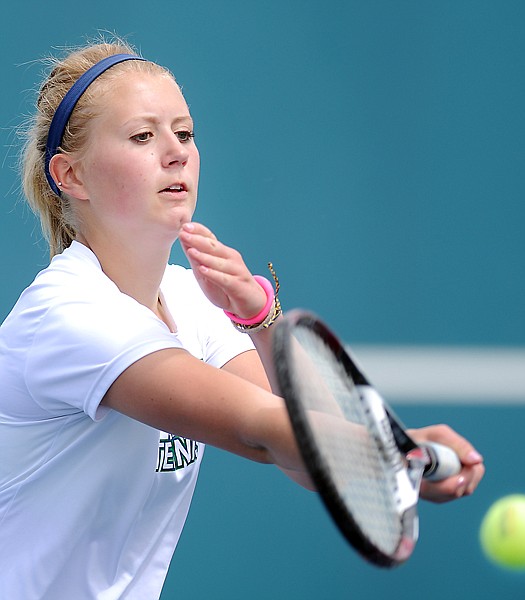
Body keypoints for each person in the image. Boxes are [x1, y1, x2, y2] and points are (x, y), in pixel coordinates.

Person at [0, 38, 484, 599]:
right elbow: (261, 431)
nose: (176, 152)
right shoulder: (70, 317)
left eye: (184, 133)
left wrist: (259, 316)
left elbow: (302, 458)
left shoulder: (187, 299)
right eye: (141, 136)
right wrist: (399, 448)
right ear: (72, 176)